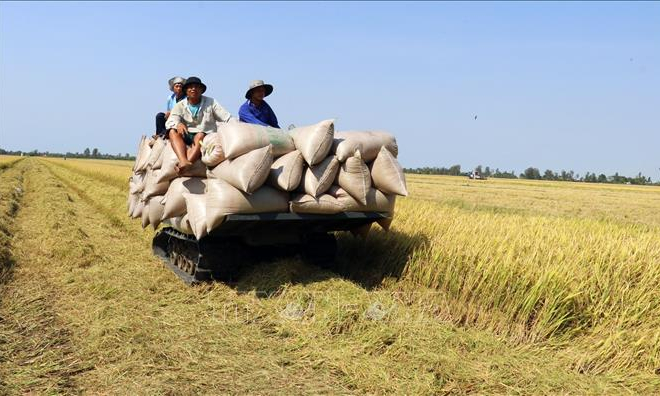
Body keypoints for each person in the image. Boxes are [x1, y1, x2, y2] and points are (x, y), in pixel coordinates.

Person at [166, 76, 233, 173]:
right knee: (172, 131)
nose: (193, 89)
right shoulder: (180, 105)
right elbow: (171, 120)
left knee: (200, 135)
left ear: (201, 90)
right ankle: (183, 160)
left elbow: (226, 117)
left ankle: (186, 165)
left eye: (197, 87)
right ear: (186, 91)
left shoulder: (211, 102)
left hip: (204, 136)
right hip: (187, 135)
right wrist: (178, 124)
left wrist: (238, 126)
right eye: (190, 87)